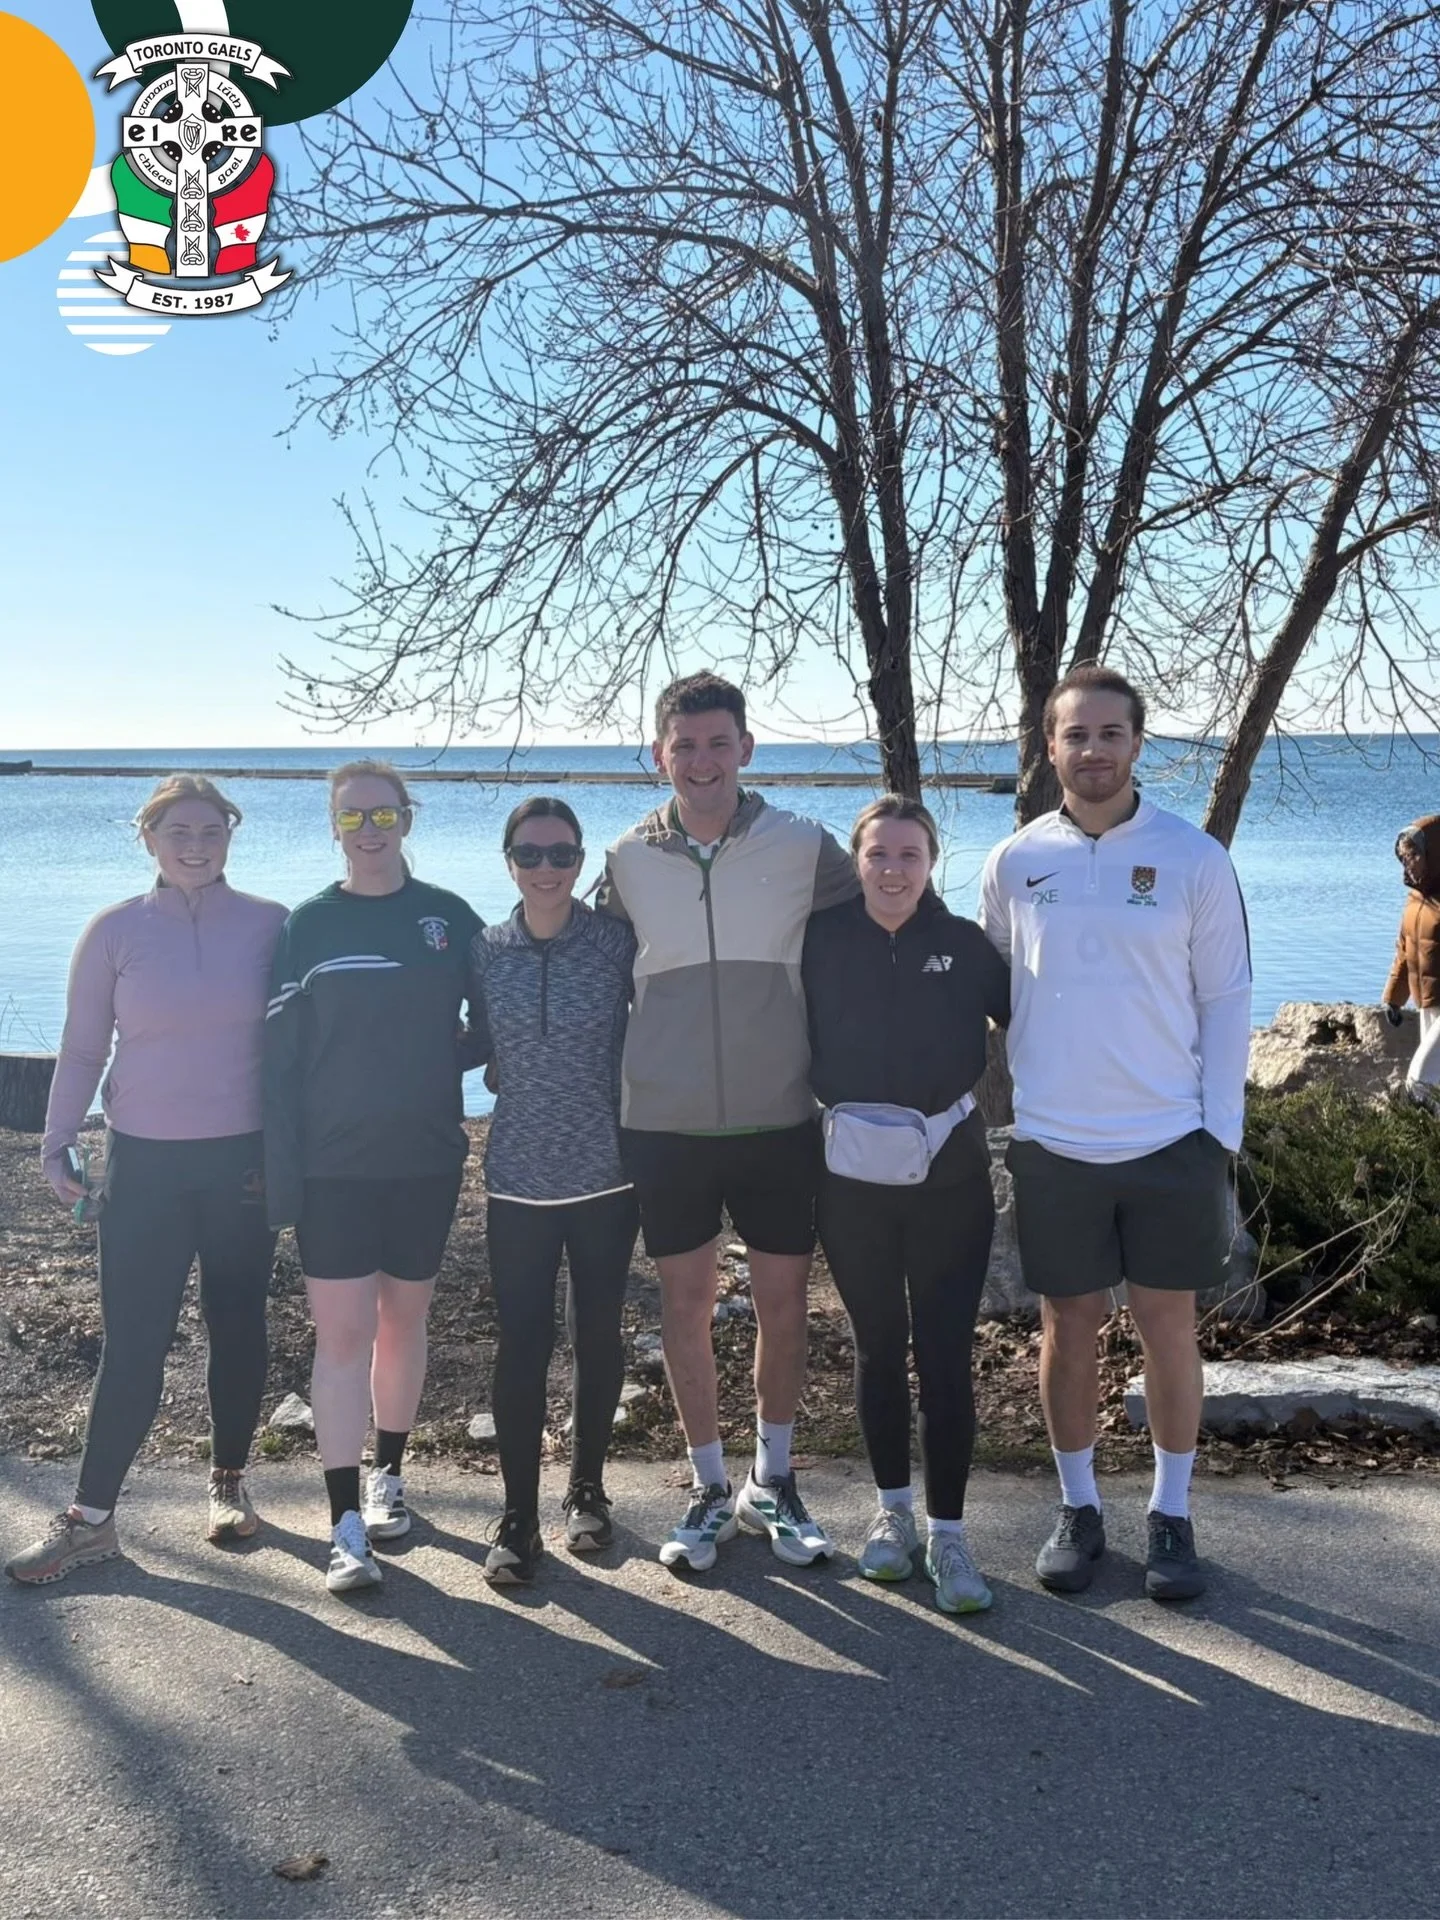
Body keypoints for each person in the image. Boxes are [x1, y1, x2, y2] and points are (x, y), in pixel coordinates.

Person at [979, 665, 1251, 1604]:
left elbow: (1225, 999)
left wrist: (1220, 1132)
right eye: (1074, 735)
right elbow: (1002, 998)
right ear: (1048, 748)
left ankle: (1172, 1514)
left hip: (1171, 1139)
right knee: (1070, 1325)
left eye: (1109, 734)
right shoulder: (1016, 861)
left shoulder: (1193, 860)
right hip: (1056, 1142)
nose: (1092, 751)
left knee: (1168, 1324)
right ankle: (1080, 1506)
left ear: (1137, 744)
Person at [597, 671, 859, 1573]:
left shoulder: (803, 846)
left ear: (746, 748)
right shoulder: (626, 859)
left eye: (718, 743)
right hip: (663, 1125)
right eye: (684, 745)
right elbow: (600, 975)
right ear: (659, 753)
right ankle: (710, 1488)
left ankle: (773, 1482)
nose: (701, 761)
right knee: (686, 1307)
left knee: (785, 1304)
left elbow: (878, 928)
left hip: (778, 1115)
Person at [6, 777, 286, 1586]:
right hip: (142, 1167)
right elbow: (85, 1047)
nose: (195, 844)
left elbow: (300, 1047)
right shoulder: (113, 931)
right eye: (177, 831)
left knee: (237, 1324)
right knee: (133, 1344)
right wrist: (58, 1141)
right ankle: (92, 1520)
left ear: (230, 835)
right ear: (148, 839)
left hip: (243, 1163)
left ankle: (230, 1482)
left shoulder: (272, 926)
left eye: (210, 829)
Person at [264, 761, 483, 1595]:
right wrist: (275, 1169)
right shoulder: (307, 927)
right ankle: (344, 1521)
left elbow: (490, 1023)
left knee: (405, 1322)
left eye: (383, 814)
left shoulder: (449, 919)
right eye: (353, 817)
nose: (370, 829)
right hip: (334, 1169)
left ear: (406, 819)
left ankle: (392, 1478)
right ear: (333, 826)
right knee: (344, 1335)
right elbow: (278, 1062)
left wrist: (442, 1064)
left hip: (425, 1160)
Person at [803, 796, 1010, 1613]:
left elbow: (1043, 1019)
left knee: (946, 1355)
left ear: (932, 863)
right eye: (878, 854)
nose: (893, 870)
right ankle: (891, 1518)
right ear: (857, 861)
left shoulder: (962, 947)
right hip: (848, 1185)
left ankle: (950, 1536)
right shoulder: (819, 941)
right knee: (878, 1348)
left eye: (909, 856)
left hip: (951, 1183)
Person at [468, 798, 640, 1585]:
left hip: (609, 1172)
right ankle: (518, 1517)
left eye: (562, 855)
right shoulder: (484, 949)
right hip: (518, 1180)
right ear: (508, 861)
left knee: (597, 1335)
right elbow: (459, 1039)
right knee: (524, 1345)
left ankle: (589, 1492)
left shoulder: (614, 943)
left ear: (581, 863)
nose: (546, 869)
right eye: (530, 855)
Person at [1382, 816, 1440, 1097]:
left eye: (1415, 855)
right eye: (1404, 857)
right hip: (1427, 1001)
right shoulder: (1414, 900)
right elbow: (1405, 951)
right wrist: (1394, 998)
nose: (1409, 863)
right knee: (1434, 1086)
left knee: (1420, 1079)